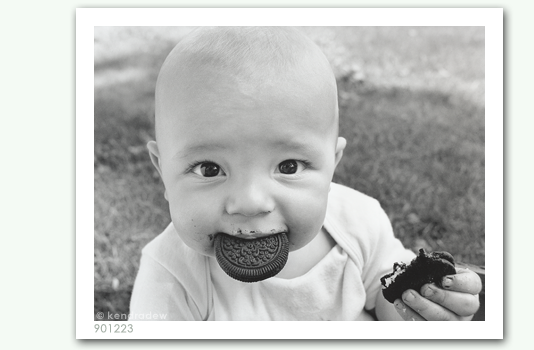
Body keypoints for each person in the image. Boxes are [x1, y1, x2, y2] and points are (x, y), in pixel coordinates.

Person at [130, 27, 481, 321]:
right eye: (209, 169)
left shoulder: (359, 223)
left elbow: (390, 302)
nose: (251, 202)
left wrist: (426, 307)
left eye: (288, 167)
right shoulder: (171, 276)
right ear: (163, 171)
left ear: (332, 163)